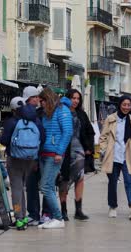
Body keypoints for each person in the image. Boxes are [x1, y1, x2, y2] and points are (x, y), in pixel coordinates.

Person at [0, 95, 44, 230]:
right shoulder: (35, 120)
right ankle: (24, 215)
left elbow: (3, 141)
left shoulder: (12, 122)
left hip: (15, 159)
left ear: (13, 109)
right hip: (31, 159)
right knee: (24, 188)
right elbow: (43, 136)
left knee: (16, 189)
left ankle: (19, 218)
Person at [99, 96, 131, 220]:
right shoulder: (110, 119)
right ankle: (112, 206)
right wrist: (104, 149)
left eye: (128, 105)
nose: (126, 107)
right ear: (120, 105)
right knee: (112, 182)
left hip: (127, 156)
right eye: (124, 104)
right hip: (113, 155)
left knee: (129, 181)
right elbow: (103, 137)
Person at [38, 88, 73, 229]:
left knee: (45, 186)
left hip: (54, 154)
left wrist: (59, 152)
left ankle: (58, 218)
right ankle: (53, 216)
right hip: (45, 153)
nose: (41, 104)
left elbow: (67, 132)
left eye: (42, 101)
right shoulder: (48, 113)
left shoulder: (62, 110)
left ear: (48, 99)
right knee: (49, 187)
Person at [59, 89, 94, 221]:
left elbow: (90, 131)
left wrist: (89, 148)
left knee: (79, 178)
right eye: (73, 98)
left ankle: (78, 210)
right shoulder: (61, 112)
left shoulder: (81, 114)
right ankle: (63, 210)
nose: (75, 101)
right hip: (63, 150)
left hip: (79, 150)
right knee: (64, 179)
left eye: (78, 98)